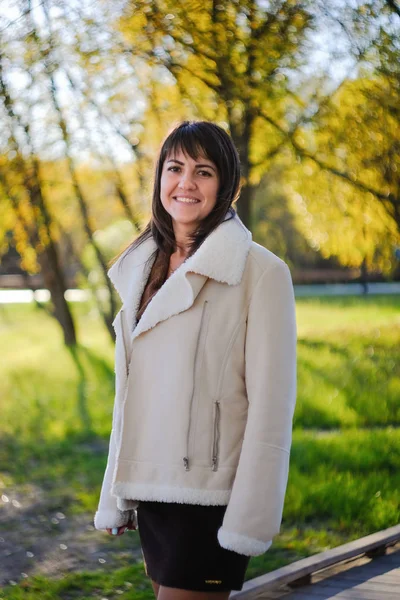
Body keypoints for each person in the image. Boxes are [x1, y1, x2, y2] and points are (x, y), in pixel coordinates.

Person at [94, 120, 297, 600]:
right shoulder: (143, 269)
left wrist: (249, 518)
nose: (185, 183)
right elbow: (131, 394)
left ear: (227, 185)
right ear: (159, 178)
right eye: (175, 167)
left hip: (214, 497)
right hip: (153, 489)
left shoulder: (262, 273)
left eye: (203, 171)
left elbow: (272, 406)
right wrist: (117, 494)